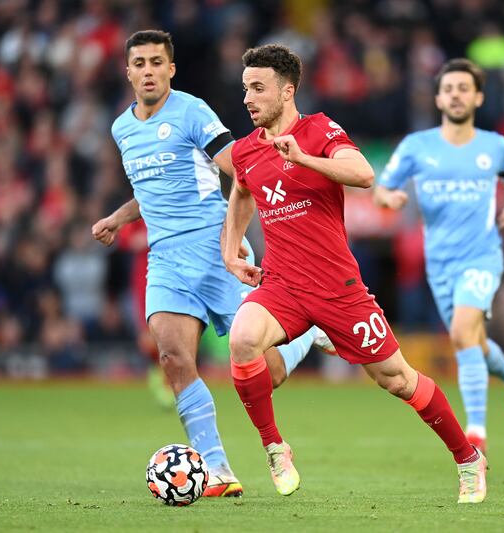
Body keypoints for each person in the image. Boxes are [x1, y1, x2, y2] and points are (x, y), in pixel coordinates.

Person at [223, 44, 488, 504]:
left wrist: (301, 158)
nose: (248, 98)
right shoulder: (246, 151)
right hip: (282, 285)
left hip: (337, 289)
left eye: (258, 88)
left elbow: (364, 174)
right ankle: (275, 447)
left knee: (398, 380)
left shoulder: (319, 129)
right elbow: (242, 191)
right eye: (245, 87)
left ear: (287, 92)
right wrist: (230, 251)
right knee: (242, 339)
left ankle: (468, 460)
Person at [91, 30, 333, 499]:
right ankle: (219, 469)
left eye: (156, 62)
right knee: (173, 358)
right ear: (127, 71)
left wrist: (253, 229)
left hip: (214, 247)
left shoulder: (192, 111)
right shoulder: (122, 129)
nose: (147, 70)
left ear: (170, 69)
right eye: (138, 62)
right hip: (164, 258)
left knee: (269, 372)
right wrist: (119, 218)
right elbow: (151, 189)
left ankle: (307, 334)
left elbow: (240, 169)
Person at [373, 58, 504, 455]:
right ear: (438, 98)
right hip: (439, 264)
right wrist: (388, 197)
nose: (456, 95)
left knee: (462, 333)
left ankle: (475, 433)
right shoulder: (416, 146)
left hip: (482, 257)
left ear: (477, 97)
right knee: (471, 343)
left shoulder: (494, 146)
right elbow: (379, 188)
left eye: (464, 88)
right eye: (448, 89)